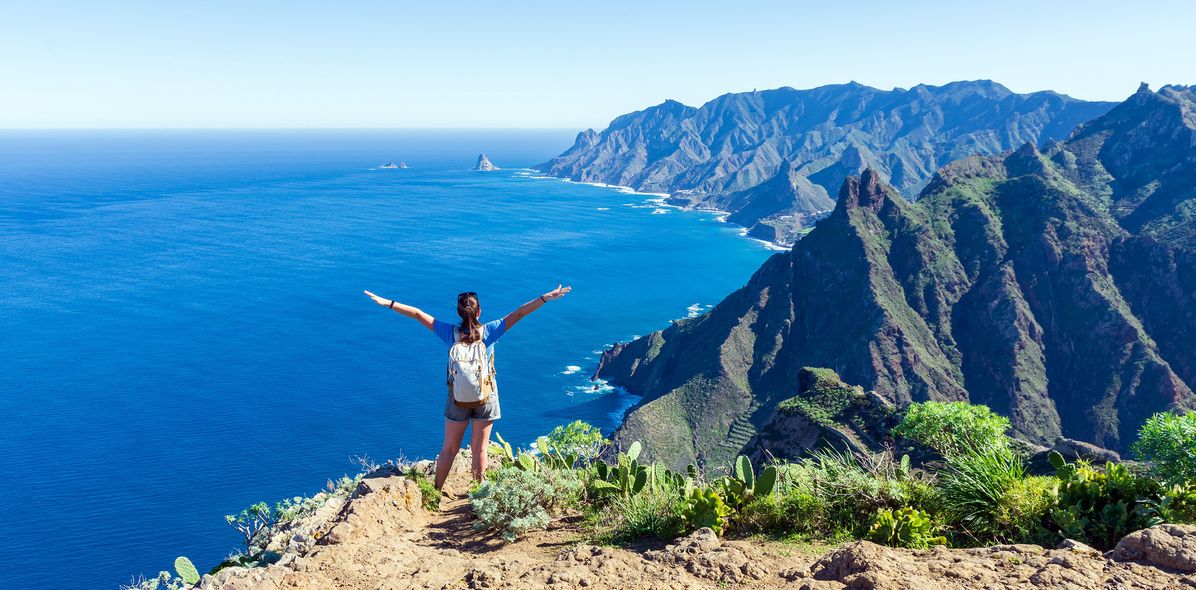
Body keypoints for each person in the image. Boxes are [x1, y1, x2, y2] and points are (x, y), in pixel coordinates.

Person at [363, 285, 572, 489]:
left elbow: (417, 314)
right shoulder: (490, 331)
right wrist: (545, 298)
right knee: (479, 450)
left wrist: (387, 303)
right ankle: (479, 494)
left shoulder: (450, 333)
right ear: (479, 311)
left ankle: (436, 491)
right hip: (486, 397)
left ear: (459, 313)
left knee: (449, 449)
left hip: (457, 399)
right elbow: (519, 313)